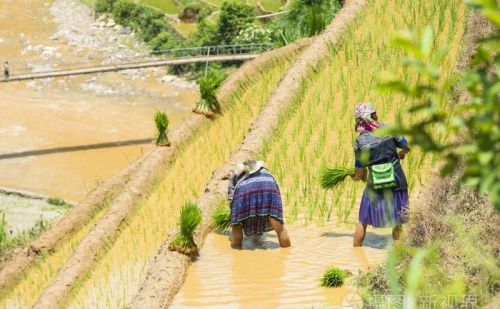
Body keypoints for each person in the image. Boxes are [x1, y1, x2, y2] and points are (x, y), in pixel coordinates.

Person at [351, 102, 411, 247]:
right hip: (397, 181)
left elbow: (360, 173)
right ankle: (398, 252)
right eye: (375, 113)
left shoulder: (360, 142)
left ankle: (357, 254)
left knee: (362, 221)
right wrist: (401, 154)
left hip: (375, 185)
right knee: (399, 221)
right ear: (373, 116)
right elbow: (406, 146)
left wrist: (355, 177)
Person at [228, 160, 291, 249]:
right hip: (269, 186)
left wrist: (233, 217)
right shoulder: (265, 171)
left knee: (236, 225)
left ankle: (236, 253)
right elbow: (275, 186)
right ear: (257, 166)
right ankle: (287, 252)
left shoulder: (235, 176)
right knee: (280, 229)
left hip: (244, 190)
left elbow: (231, 197)